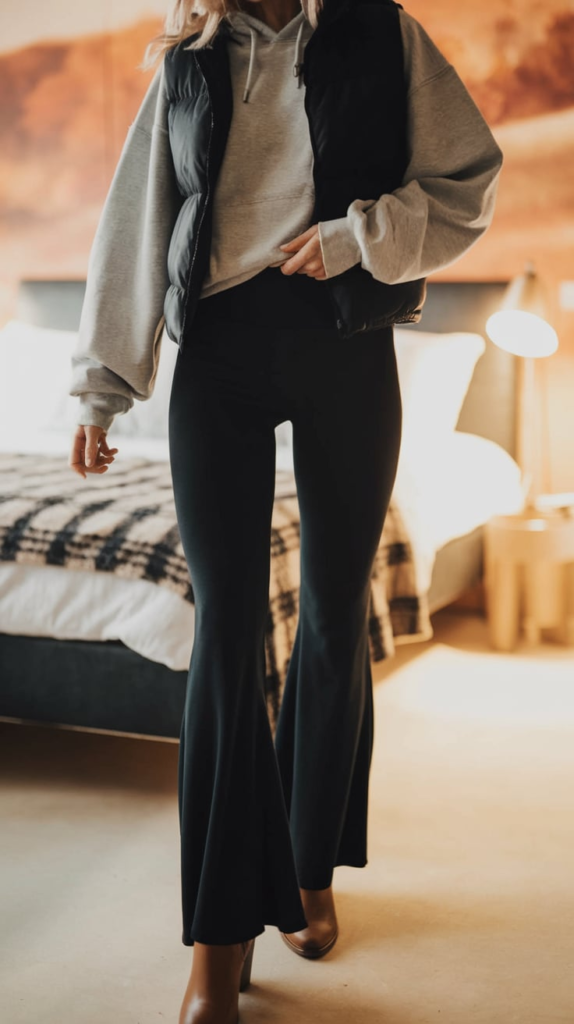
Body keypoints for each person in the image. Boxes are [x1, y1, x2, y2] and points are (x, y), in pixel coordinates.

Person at [68, 0, 503, 1020]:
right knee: (224, 629)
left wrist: (360, 239)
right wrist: (103, 384)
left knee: (329, 617)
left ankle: (311, 866)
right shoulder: (187, 59)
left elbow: (466, 181)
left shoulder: (380, 33)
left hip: (345, 343)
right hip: (216, 354)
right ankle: (218, 938)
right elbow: (136, 219)